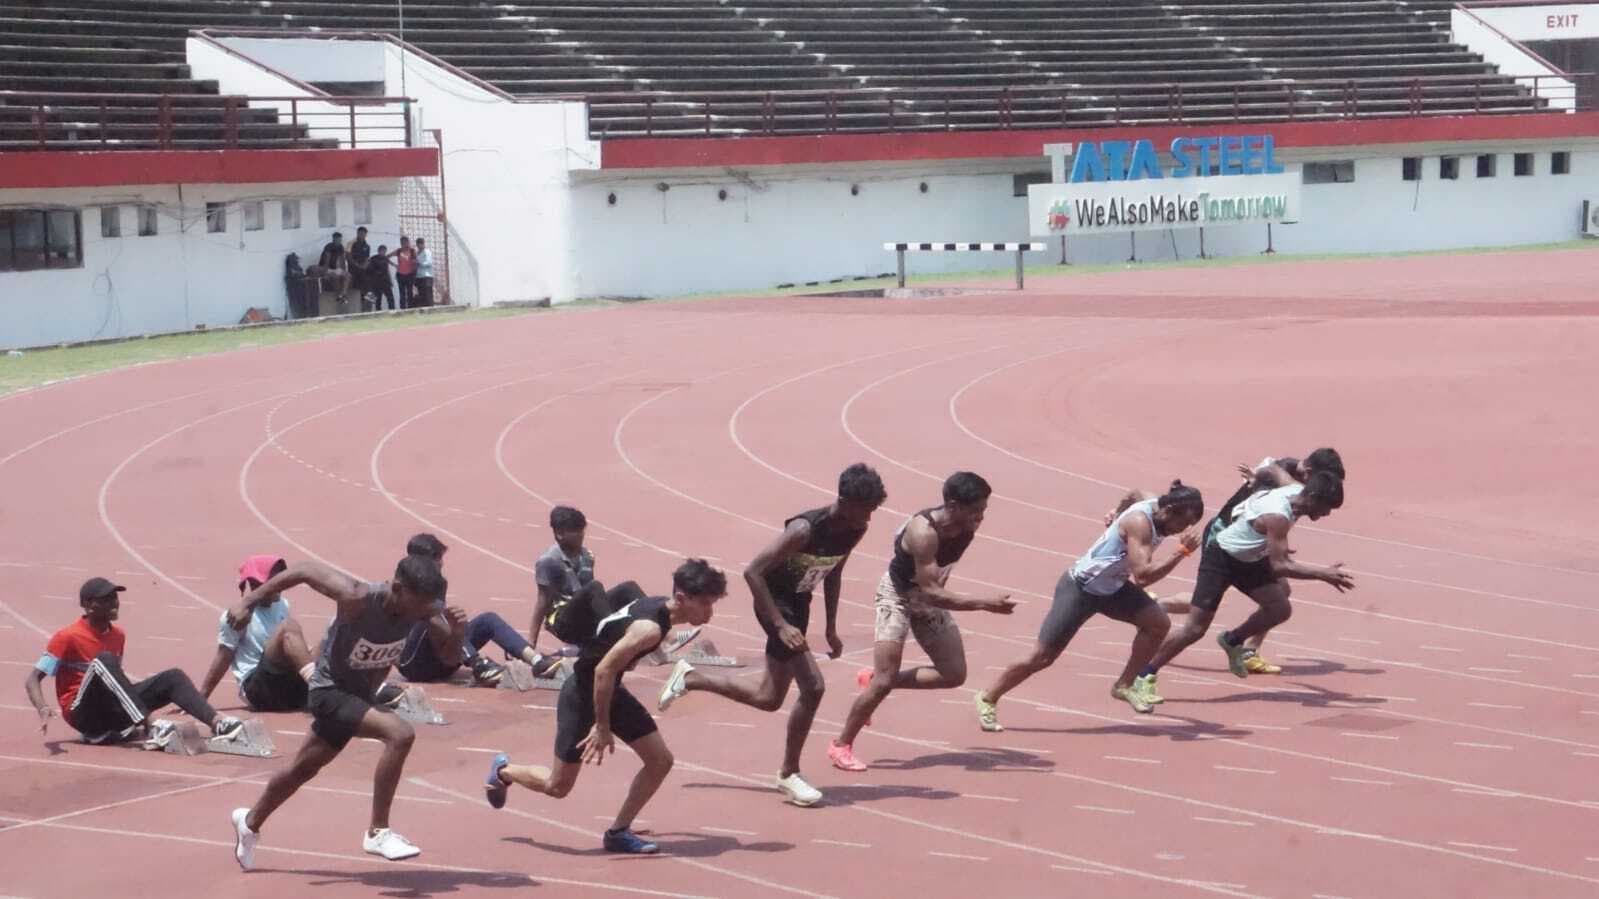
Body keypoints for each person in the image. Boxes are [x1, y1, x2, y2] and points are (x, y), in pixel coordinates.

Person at [658, 463, 887, 806]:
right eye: (864, 511)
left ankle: (692, 678)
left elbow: (834, 570)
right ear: (844, 500)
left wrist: (830, 626)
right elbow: (753, 572)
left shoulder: (855, 528)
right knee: (814, 686)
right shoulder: (803, 529)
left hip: (800, 604)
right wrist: (780, 624)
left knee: (769, 698)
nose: (867, 520)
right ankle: (788, 774)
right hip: (775, 605)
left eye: (872, 512)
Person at [482, 559, 726, 855]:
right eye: (705, 605)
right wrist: (601, 725)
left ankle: (618, 832)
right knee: (558, 787)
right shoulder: (649, 629)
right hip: (584, 693)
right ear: (682, 599)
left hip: (609, 692)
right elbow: (603, 671)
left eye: (713, 604)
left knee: (660, 760)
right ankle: (505, 771)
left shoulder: (657, 610)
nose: (710, 613)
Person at [229, 556, 447, 870]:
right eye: (418, 606)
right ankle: (378, 832)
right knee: (400, 734)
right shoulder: (356, 596)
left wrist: (457, 630)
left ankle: (249, 822)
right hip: (329, 692)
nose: (420, 615)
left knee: (301, 769)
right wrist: (249, 601)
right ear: (398, 588)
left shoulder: (424, 607)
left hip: (358, 698)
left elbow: (450, 651)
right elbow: (304, 570)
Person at [828, 472, 1015, 772]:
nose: (981, 516)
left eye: (984, 509)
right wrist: (984, 603)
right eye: (975, 510)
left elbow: (934, 588)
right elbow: (931, 590)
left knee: (954, 675)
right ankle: (841, 745)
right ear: (953, 505)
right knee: (886, 680)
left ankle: (872, 679)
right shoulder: (923, 532)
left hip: (928, 600)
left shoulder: (966, 525)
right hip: (898, 598)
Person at [976, 481, 1204, 728]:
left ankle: (1123, 685)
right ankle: (988, 697)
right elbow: (1143, 577)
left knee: (1158, 623)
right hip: (1081, 589)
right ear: (1169, 510)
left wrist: (1116, 511)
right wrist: (1181, 552)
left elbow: (1134, 492)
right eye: (1182, 523)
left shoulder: (1150, 500)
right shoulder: (1141, 524)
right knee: (1042, 657)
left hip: (1112, 589)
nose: (1181, 530)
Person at [1135, 471, 1354, 698]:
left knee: (1279, 608)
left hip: (1249, 559)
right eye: (1326, 507)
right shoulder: (1278, 516)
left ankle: (1232, 640)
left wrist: (1255, 477)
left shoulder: (1294, 491)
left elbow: (1272, 467)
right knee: (1195, 629)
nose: (1326, 513)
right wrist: (1323, 573)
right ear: (1313, 497)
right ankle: (1143, 674)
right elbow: (1279, 566)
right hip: (1221, 557)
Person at [24, 577, 243, 745]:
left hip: (112, 714)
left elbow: (114, 683)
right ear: (90, 605)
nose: (115, 603)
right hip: (82, 713)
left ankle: (218, 724)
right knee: (103, 661)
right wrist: (42, 707)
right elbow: (33, 678)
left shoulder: (118, 635)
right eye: (107, 599)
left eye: (115, 597)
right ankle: (151, 726)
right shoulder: (67, 637)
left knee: (172, 677)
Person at [397, 533, 562, 687]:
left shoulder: (439, 583)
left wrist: (457, 630)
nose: (441, 562)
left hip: (444, 661)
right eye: (437, 558)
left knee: (487, 620)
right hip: (413, 665)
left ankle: (536, 660)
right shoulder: (403, 584)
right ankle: (477, 663)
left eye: (440, 557)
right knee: (435, 617)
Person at [200, 555, 314, 712]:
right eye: (275, 579)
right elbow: (224, 656)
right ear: (257, 583)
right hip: (259, 690)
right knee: (288, 627)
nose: (281, 584)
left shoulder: (283, 605)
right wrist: (200, 698)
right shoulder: (237, 616)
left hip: (288, 688)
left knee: (329, 637)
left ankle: (334, 692)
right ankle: (318, 688)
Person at [528, 505, 594, 673]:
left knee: (627, 590)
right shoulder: (548, 561)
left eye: (582, 529)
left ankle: (662, 637)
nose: (581, 534)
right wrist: (531, 642)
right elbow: (543, 600)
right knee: (597, 590)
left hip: (584, 612)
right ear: (559, 533)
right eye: (575, 530)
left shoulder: (587, 556)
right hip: (561, 618)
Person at [317, 231, 350, 305]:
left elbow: (342, 261)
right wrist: (325, 273)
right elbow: (326, 261)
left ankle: (343, 294)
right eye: (337, 240)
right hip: (326, 268)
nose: (338, 241)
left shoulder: (340, 247)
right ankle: (339, 295)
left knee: (348, 275)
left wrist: (343, 271)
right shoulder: (328, 247)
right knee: (335, 277)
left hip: (335, 268)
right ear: (333, 239)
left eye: (340, 240)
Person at [367, 243, 397, 312]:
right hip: (377, 283)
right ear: (379, 251)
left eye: (384, 251)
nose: (383, 252)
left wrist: (390, 281)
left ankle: (393, 312)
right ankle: (378, 314)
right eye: (382, 251)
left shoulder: (385, 259)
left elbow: (387, 270)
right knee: (378, 300)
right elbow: (369, 271)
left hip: (386, 282)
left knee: (390, 298)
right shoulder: (373, 258)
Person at [348, 226, 373, 307]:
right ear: (357, 233)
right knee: (362, 281)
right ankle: (364, 302)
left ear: (366, 235)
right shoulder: (350, 244)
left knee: (370, 279)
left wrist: (365, 265)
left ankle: (369, 303)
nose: (361, 235)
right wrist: (358, 265)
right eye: (360, 233)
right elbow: (348, 257)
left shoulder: (367, 246)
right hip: (353, 269)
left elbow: (367, 258)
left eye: (363, 234)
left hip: (363, 269)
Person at [393, 236, 417, 309]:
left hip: (410, 274)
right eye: (402, 242)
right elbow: (387, 257)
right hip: (400, 275)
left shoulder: (412, 251)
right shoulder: (399, 251)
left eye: (405, 242)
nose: (404, 244)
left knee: (410, 292)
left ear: (408, 242)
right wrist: (395, 265)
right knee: (402, 293)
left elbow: (415, 261)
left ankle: (410, 308)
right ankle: (402, 309)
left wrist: (413, 266)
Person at [413, 238, 435, 307]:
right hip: (419, 276)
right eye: (418, 244)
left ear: (423, 244)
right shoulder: (417, 253)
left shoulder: (427, 252)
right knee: (421, 294)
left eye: (421, 244)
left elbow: (429, 263)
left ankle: (430, 309)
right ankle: (424, 309)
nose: (419, 246)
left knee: (428, 294)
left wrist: (419, 263)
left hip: (427, 276)